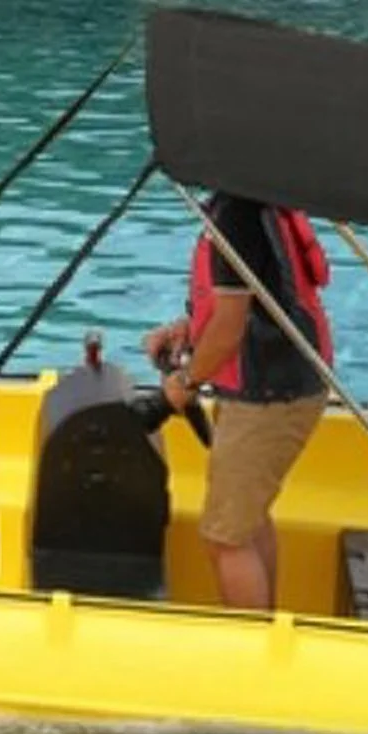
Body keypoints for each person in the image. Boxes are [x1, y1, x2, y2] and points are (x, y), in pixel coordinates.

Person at [143, 191, 334, 610]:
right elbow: (252, 305)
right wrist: (188, 330)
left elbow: (229, 330)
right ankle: (266, 627)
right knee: (247, 519)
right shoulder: (253, 204)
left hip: (269, 394)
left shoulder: (237, 219)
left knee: (224, 537)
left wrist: (185, 382)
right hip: (280, 385)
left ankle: (250, 649)